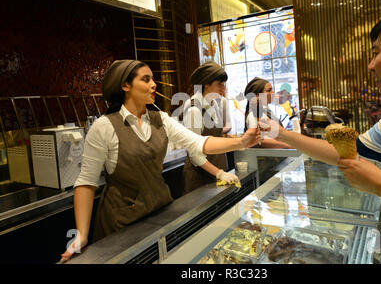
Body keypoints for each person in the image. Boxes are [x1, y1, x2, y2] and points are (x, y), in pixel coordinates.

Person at [263, 1, 381, 264]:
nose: (371, 65)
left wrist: (380, 184)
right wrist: (281, 133)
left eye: (376, 53)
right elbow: (349, 153)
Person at [60, 60, 260, 262]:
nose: (154, 84)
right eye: (146, 79)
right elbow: (86, 182)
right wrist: (81, 234)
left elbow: (198, 143)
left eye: (153, 79)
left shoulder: (160, 119)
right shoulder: (104, 126)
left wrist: (241, 142)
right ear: (125, 86)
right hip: (121, 223)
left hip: (159, 214)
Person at [181, 61, 238, 195]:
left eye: (224, 84)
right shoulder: (193, 110)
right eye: (219, 84)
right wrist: (219, 173)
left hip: (217, 172)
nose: (223, 89)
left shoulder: (215, 105)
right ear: (206, 84)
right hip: (200, 179)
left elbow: (216, 135)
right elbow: (194, 154)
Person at [244, 77, 291, 149]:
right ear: (257, 95)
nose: (273, 92)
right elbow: (261, 140)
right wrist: (289, 145)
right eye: (269, 90)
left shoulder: (266, 111)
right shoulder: (254, 114)